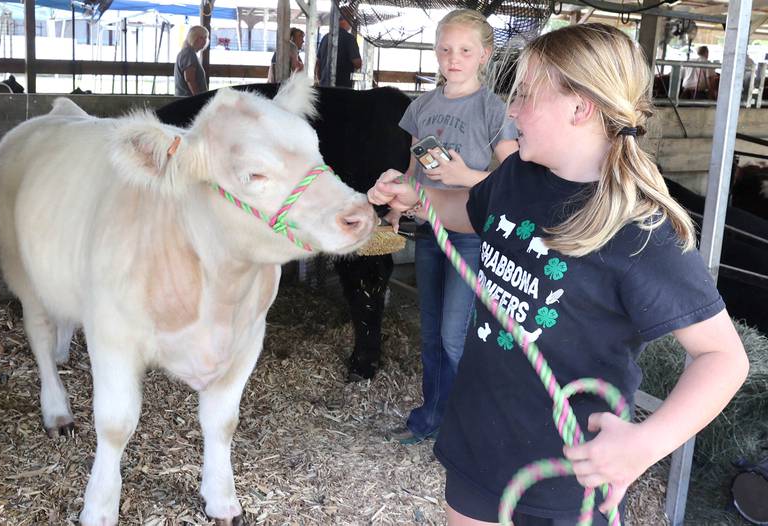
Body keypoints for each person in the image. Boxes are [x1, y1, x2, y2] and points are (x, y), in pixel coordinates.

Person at [368, 23, 748, 525]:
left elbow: (723, 357)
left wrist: (643, 444)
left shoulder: (637, 229)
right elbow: (471, 213)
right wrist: (420, 199)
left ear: (580, 108)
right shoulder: (519, 174)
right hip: (479, 441)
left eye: (525, 94)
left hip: (567, 472)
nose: (511, 109)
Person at [383, 9, 518, 446]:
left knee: (454, 335)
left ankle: (466, 429)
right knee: (431, 331)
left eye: (464, 50)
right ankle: (430, 417)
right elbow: (412, 167)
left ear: (485, 55)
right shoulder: (421, 106)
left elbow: (515, 177)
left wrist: (468, 178)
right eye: (444, 49)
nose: (452, 58)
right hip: (427, 228)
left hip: (470, 234)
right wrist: (395, 202)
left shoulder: (492, 108)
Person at [315, 15, 362, 88]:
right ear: (345, 21)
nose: (351, 24)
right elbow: (357, 63)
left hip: (324, 86)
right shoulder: (350, 39)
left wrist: (321, 80)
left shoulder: (325, 37)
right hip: (342, 87)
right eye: (351, 21)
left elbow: (318, 63)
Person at [174, 25, 209, 97]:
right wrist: (198, 98)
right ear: (193, 37)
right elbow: (189, 78)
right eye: (201, 37)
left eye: (205, 38)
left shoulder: (186, 52)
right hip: (188, 100)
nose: (204, 41)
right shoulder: (189, 53)